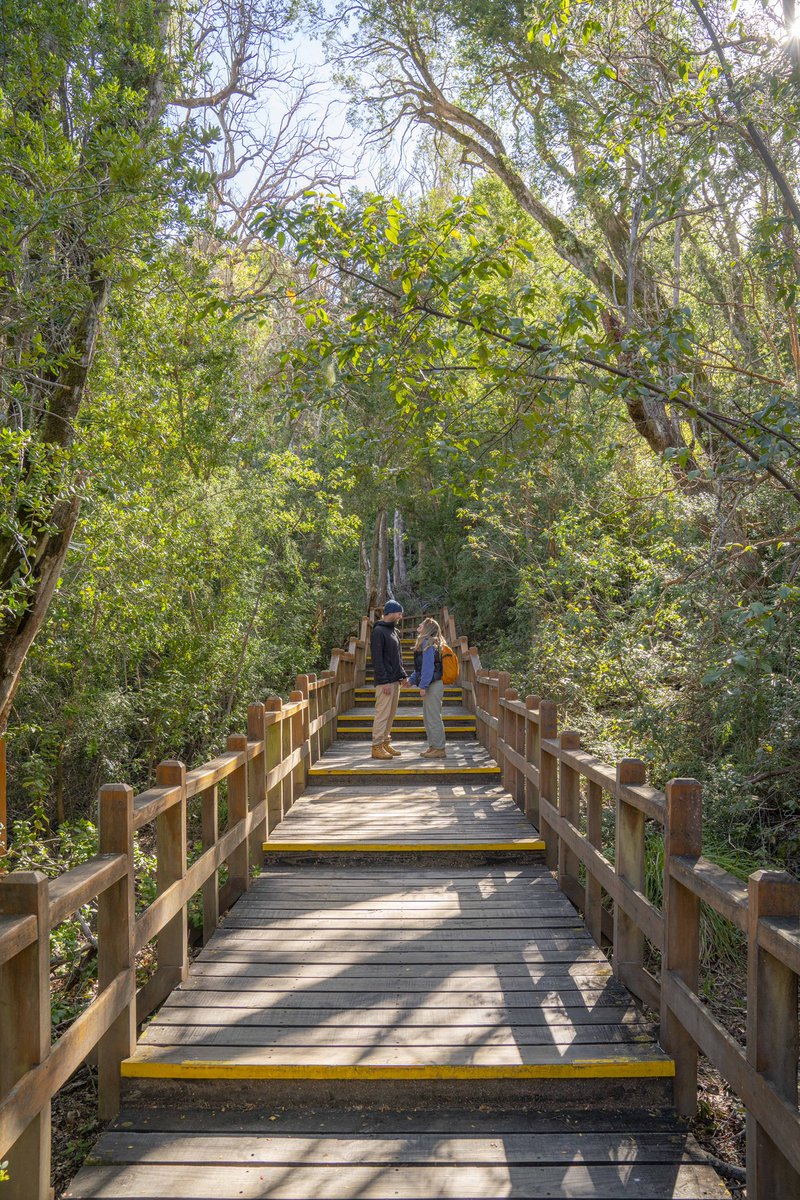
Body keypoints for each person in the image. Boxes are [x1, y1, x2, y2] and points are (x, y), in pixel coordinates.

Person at [370, 599, 408, 759]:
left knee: (391, 714)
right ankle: (376, 746)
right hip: (385, 682)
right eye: (399, 613)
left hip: (395, 680)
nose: (400, 616)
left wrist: (403, 675)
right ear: (390, 612)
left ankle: (385, 742)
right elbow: (377, 659)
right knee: (383, 714)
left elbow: (397, 658)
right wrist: (384, 680)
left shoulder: (394, 632)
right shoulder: (378, 631)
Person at [405, 617, 447, 759]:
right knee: (428, 717)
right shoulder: (426, 643)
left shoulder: (429, 643)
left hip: (433, 685)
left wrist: (423, 686)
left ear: (427, 628)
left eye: (421, 624)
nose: (419, 625)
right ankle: (433, 746)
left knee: (433, 717)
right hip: (432, 684)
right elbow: (421, 669)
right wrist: (411, 681)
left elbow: (428, 669)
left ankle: (439, 748)